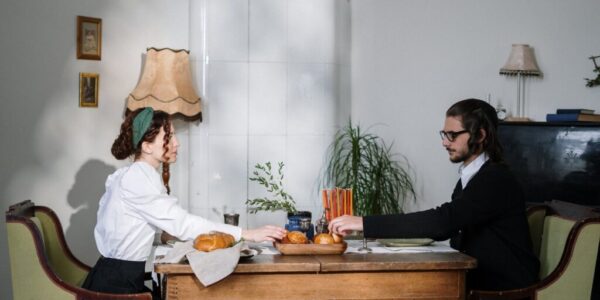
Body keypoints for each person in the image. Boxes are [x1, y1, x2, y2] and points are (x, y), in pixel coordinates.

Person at [329, 98, 540, 291]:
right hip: (481, 279)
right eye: (444, 134)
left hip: (503, 290)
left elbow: (442, 222)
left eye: (453, 135)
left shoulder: (495, 179)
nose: (445, 142)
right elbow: (446, 226)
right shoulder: (474, 176)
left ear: (481, 135)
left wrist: (364, 223)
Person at [82, 107, 286, 295]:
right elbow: (183, 224)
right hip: (117, 287)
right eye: (168, 137)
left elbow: (131, 229)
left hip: (115, 278)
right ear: (147, 146)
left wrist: (165, 235)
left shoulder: (134, 174)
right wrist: (248, 234)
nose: (176, 143)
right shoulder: (138, 179)